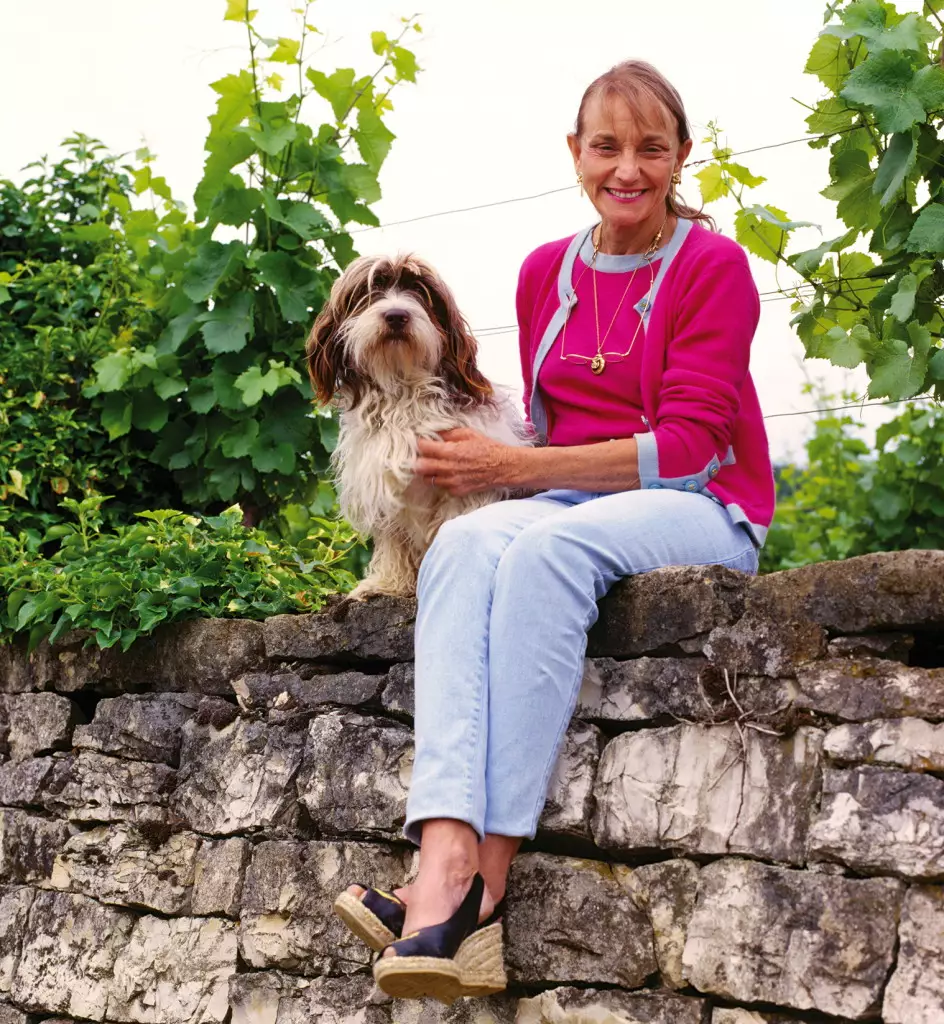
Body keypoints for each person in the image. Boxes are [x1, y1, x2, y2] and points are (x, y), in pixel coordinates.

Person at [335, 59, 775, 1003]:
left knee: (541, 549)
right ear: (575, 154)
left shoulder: (715, 266)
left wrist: (516, 472)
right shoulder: (546, 272)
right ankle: (443, 848)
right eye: (606, 147)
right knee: (459, 543)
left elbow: (694, 446)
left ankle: (472, 886)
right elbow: (548, 419)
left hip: (703, 505)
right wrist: (504, 469)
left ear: (680, 157)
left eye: (651, 149)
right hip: (576, 496)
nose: (629, 168)